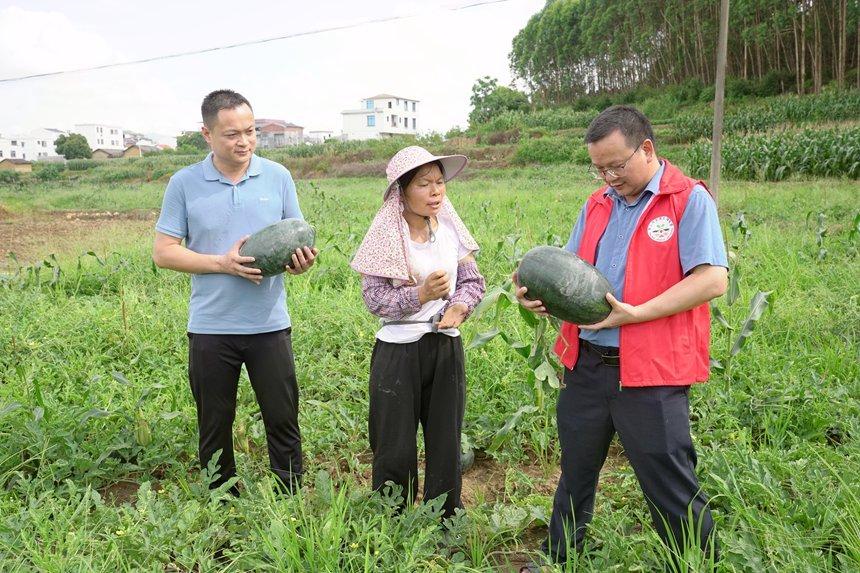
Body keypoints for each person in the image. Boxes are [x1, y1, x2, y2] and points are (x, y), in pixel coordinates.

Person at [516, 105, 727, 568]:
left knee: (668, 478)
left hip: (651, 372)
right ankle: (560, 557)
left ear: (646, 148)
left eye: (616, 164)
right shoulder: (596, 204)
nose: (608, 176)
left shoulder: (687, 200)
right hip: (588, 365)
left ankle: (695, 561)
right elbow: (567, 271)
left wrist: (636, 315)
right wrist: (535, 297)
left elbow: (713, 279)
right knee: (575, 471)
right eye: (599, 167)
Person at [152, 89, 317, 494]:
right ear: (207, 134)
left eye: (251, 131)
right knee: (214, 423)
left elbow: (296, 236)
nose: (244, 141)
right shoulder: (185, 183)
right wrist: (221, 264)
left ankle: (289, 495)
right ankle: (221, 500)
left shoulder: (277, 176)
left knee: (283, 418)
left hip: (269, 324)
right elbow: (164, 253)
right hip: (211, 327)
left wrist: (301, 263)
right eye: (231, 134)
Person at [350, 146, 486, 518]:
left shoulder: (450, 231)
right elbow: (375, 300)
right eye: (424, 183)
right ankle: (392, 515)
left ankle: (444, 515)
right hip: (398, 350)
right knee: (393, 439)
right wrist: (420, 294)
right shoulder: (386, 237)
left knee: (445, 437)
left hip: (445, 347)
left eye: (440, 182)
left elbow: (474, 281)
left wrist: (459, 307)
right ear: (401, 191)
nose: (435, 191)